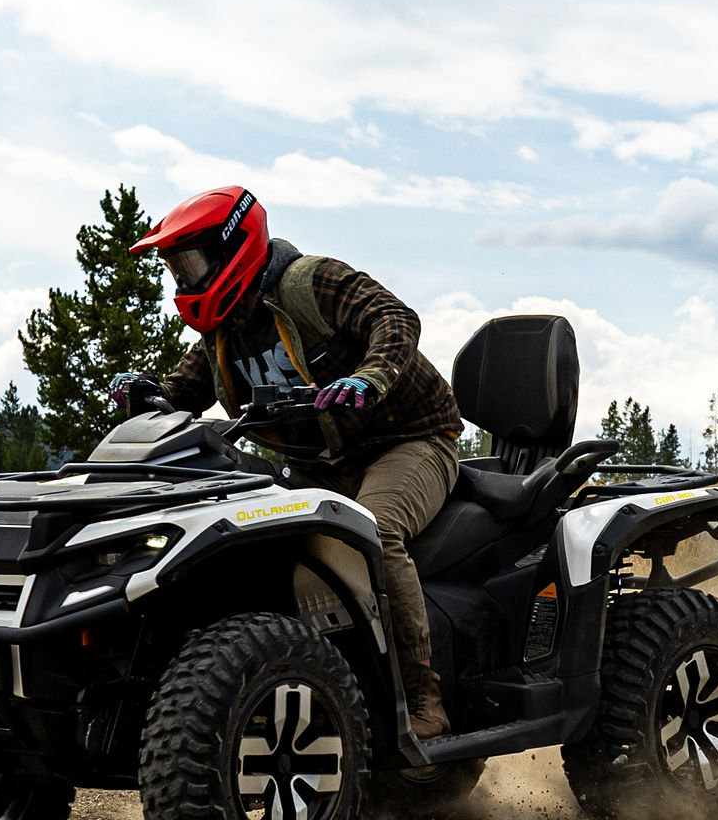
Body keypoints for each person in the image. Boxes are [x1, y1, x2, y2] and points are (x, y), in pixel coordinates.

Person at [115, 184, 462, 738]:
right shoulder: (222, 330)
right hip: (319, 463)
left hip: (409, 439)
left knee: (372, 532)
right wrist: (146, 398)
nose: (185, 280)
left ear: (234, 248)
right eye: (176, 268)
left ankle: (420, 693)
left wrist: (368, 379)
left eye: (192, 262)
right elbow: (181, 394)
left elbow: (394, 319)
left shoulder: (312, 282)